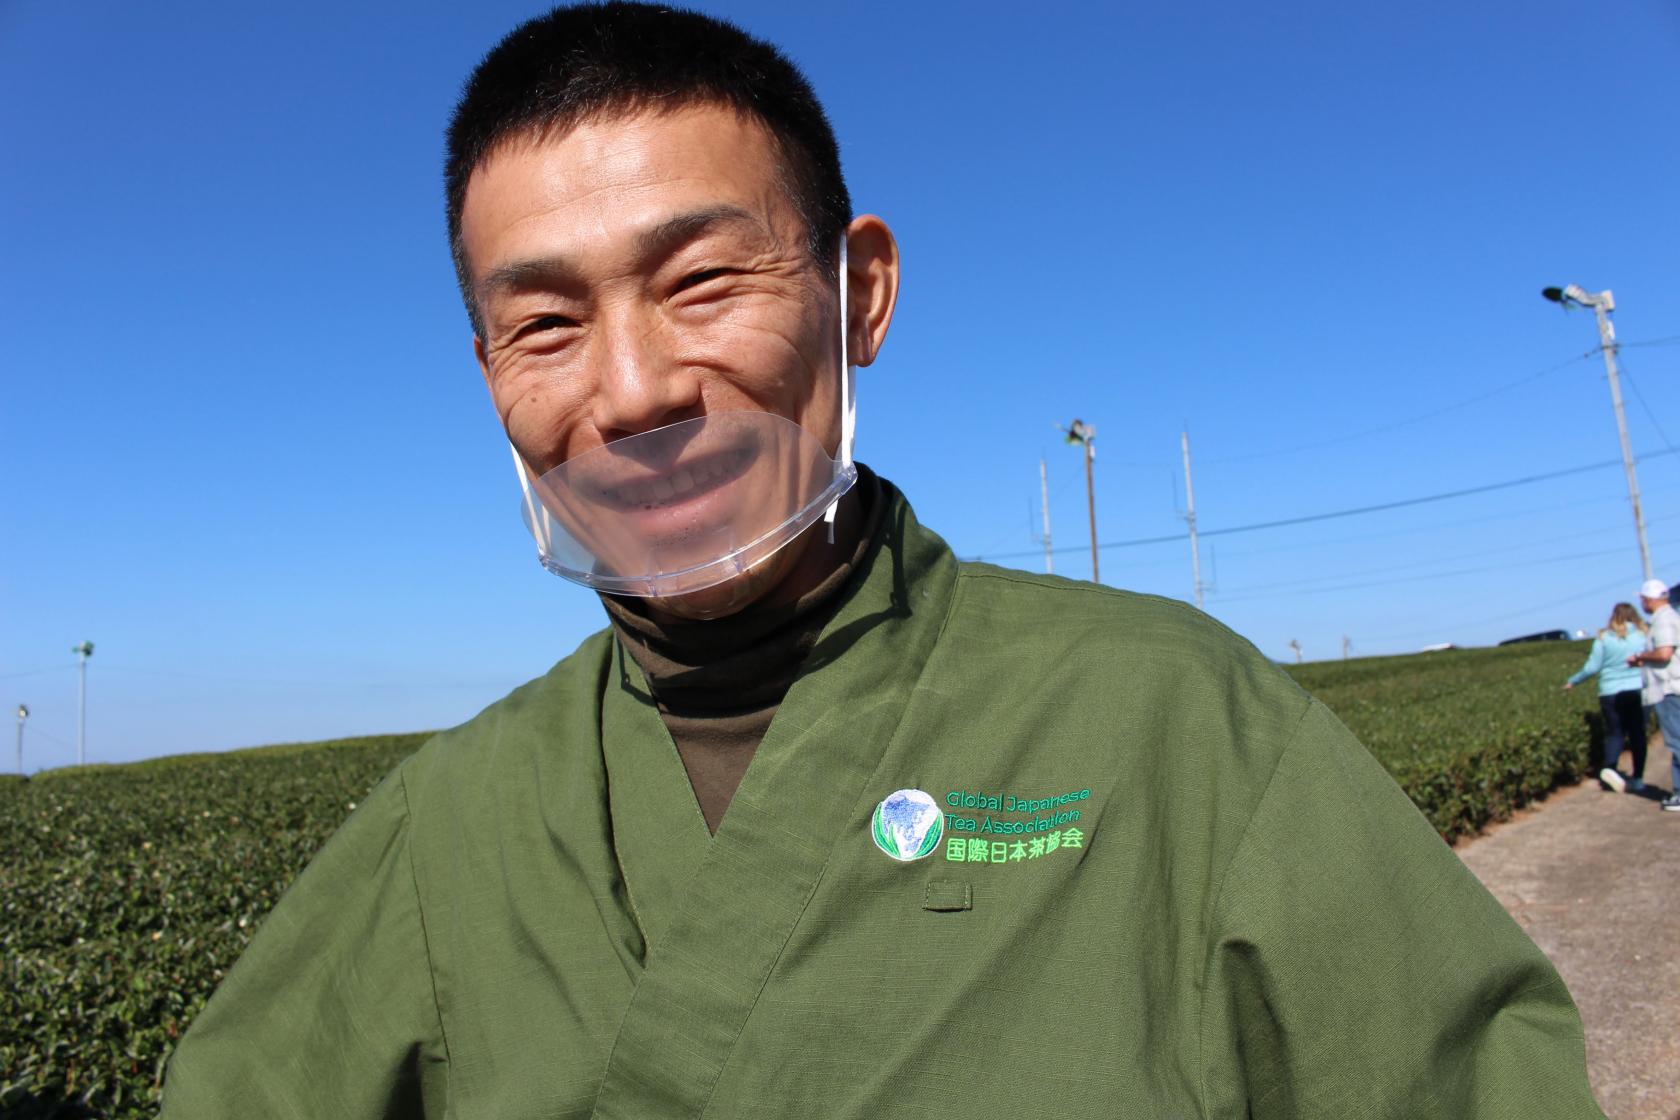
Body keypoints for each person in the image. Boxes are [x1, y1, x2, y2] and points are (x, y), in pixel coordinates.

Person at [159, 5, 1608, 1116]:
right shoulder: (445, 828)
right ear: (487, 375)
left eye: (703, 281)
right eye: (544, 324)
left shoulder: (1171, 722)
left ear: (861, 292)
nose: (634, 389)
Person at [1564, 602, 1648, 792]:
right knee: (1637, 734)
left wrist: (1573, 681)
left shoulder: (1603, 637)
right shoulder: (1643, 634)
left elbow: (1592, 668)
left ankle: (1610, 768)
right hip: (1637, 689)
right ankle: (1638, 778)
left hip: (1609, 691)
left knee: (1615, 732)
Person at [1628, 578, 1680, 811]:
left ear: (1649, 599)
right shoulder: (1669, 616)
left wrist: (1640, 657)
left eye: (1642, 599)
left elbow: (1664, 653)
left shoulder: (1663, 621)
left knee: (1677, 742)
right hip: (1671, 686)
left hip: (1669, 688)